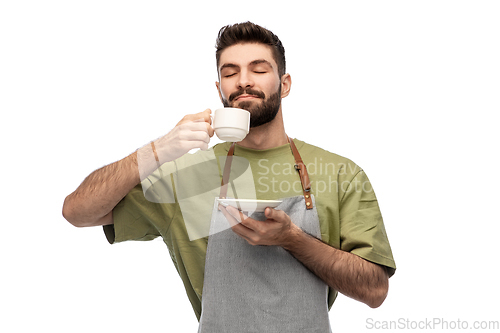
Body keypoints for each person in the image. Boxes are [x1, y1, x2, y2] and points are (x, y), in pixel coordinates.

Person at [63, 22, 396, 332]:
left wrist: (292, 238)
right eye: (230, 72)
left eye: (259, 69)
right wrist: (159, 149)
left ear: (285, 83)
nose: (243, 80)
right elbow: (78, 212)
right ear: (220, 87)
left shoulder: (339, 173)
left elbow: (374, 290)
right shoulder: (189, 176)